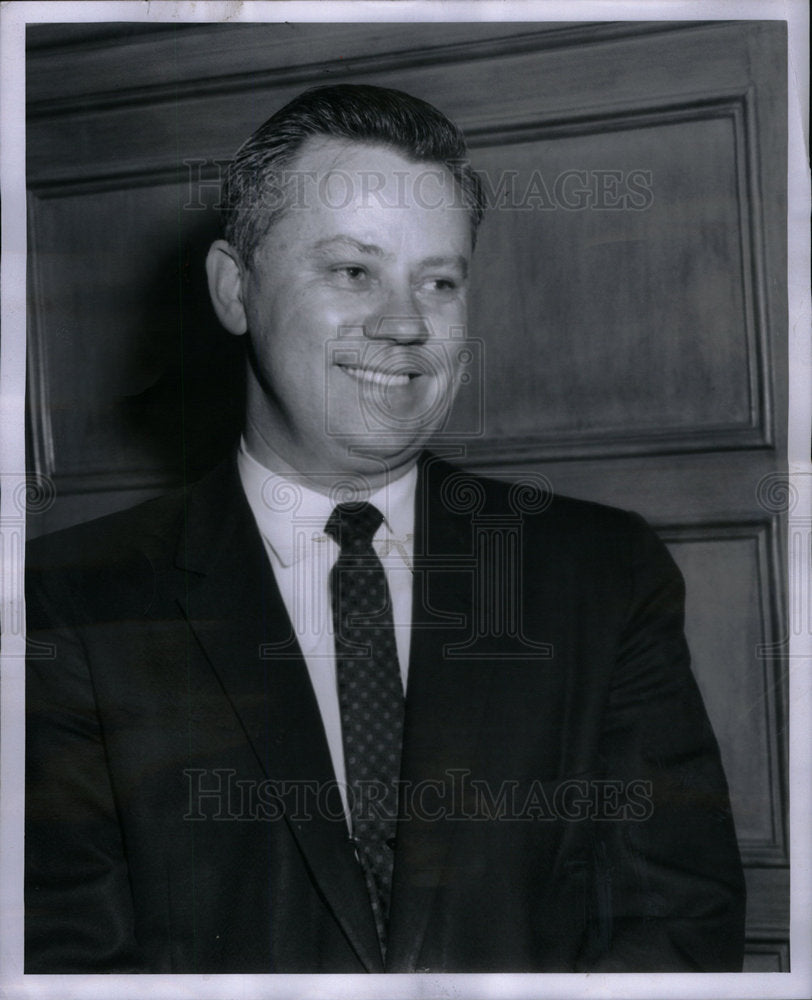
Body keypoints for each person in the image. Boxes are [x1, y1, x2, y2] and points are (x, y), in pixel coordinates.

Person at [25, 84, 746, 974]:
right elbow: (62, 961)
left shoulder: (601, 574)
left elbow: (677, 929)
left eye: (438, 281)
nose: (407, 323)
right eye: (353, 271)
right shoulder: (66, 603)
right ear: (234, 288)